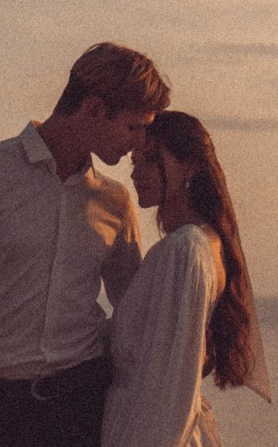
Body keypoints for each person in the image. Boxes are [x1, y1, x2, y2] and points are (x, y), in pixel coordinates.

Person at [0, 42, 171, 447]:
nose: (140, 142)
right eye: (133, 127)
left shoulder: (115, 200)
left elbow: (133, 311)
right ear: (93, 109)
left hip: (85, 408)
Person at [100, 111, 269, 447]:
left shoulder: (186, 249)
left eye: (150, 160)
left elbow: (166, 394)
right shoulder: (200, 243)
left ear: (190, 166)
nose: (136, 174)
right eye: (134, 162)